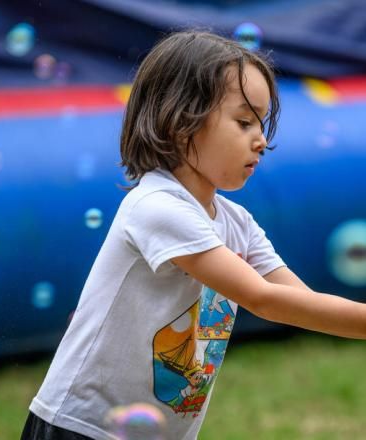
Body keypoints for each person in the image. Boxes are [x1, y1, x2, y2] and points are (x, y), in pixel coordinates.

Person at [21, 30, 366, 440]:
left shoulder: (237, 223)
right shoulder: (157, 206)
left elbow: (302, 302)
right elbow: (264, 298)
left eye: (262, 123)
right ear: (180, 121)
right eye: (243, 121)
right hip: (80, 427)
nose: (261, 140)